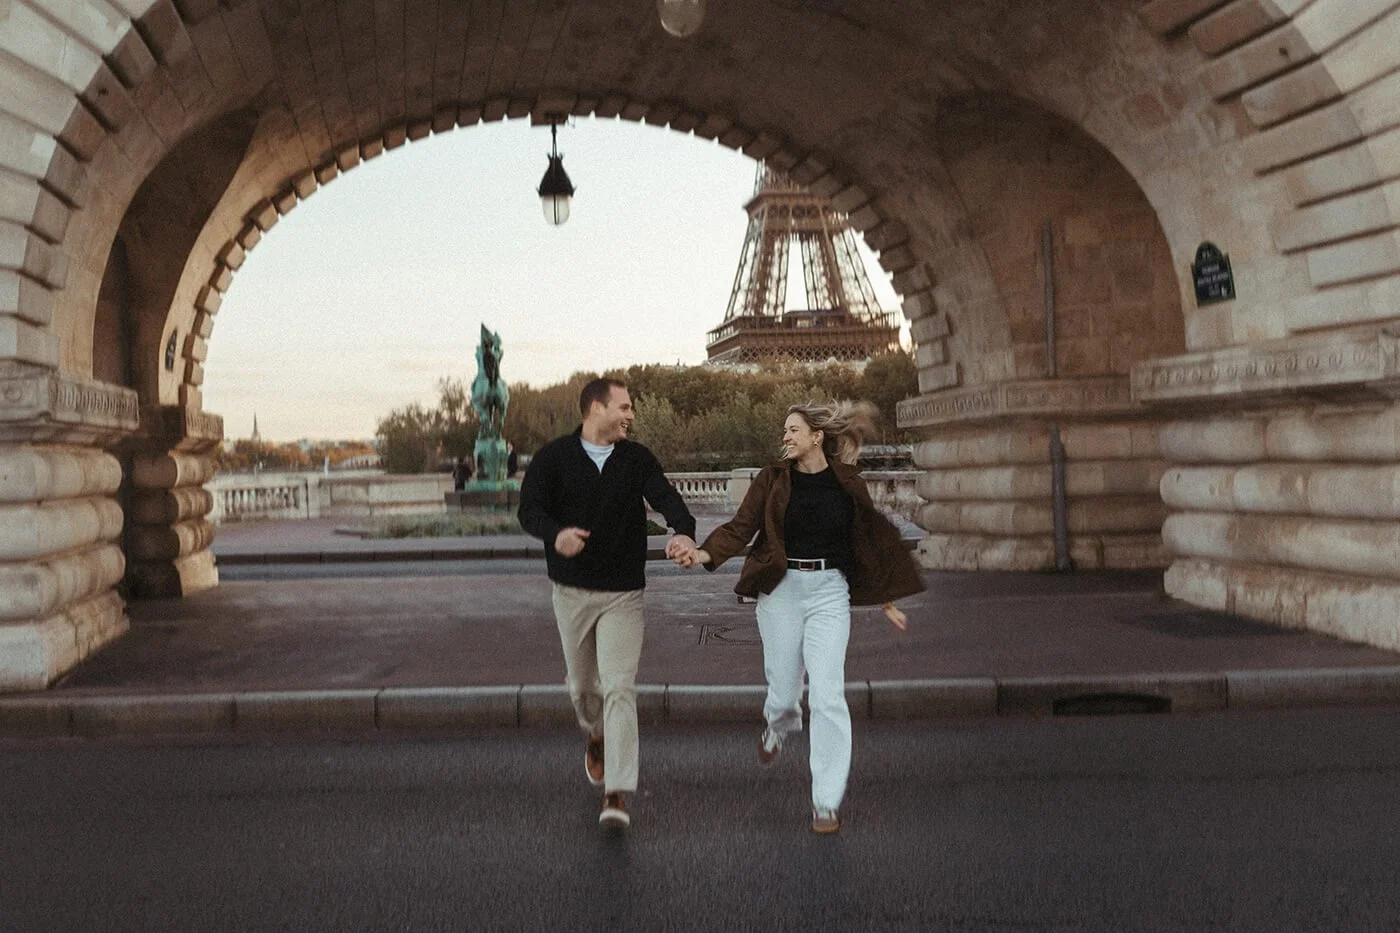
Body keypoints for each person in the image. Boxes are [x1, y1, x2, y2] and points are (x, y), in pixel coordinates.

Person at [671, 401, 923, 835]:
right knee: (786, 695)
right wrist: (702, 553)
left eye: (792, 430)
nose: (785, 437)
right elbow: (740, 526)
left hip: (829, 592)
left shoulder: (847, 482)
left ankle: (826, 801)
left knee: (827, 696)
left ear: (816, 437)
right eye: (784, 430)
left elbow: (871, 538)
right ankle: (777, 725)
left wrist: (887, 598)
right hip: (783, 592)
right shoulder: (772, 479)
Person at [518, 377, 698, 831]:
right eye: (625, 406)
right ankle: (595, 734)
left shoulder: (636, 460)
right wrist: (555, 534)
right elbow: (529, 509)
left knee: (619, 686)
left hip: (623, 594)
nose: (630, 415)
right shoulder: (554, 458)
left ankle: (616, 791)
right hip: (572, 592)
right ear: (596, 408)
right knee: (582, 688)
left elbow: (670, 502)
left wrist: (682, 532)